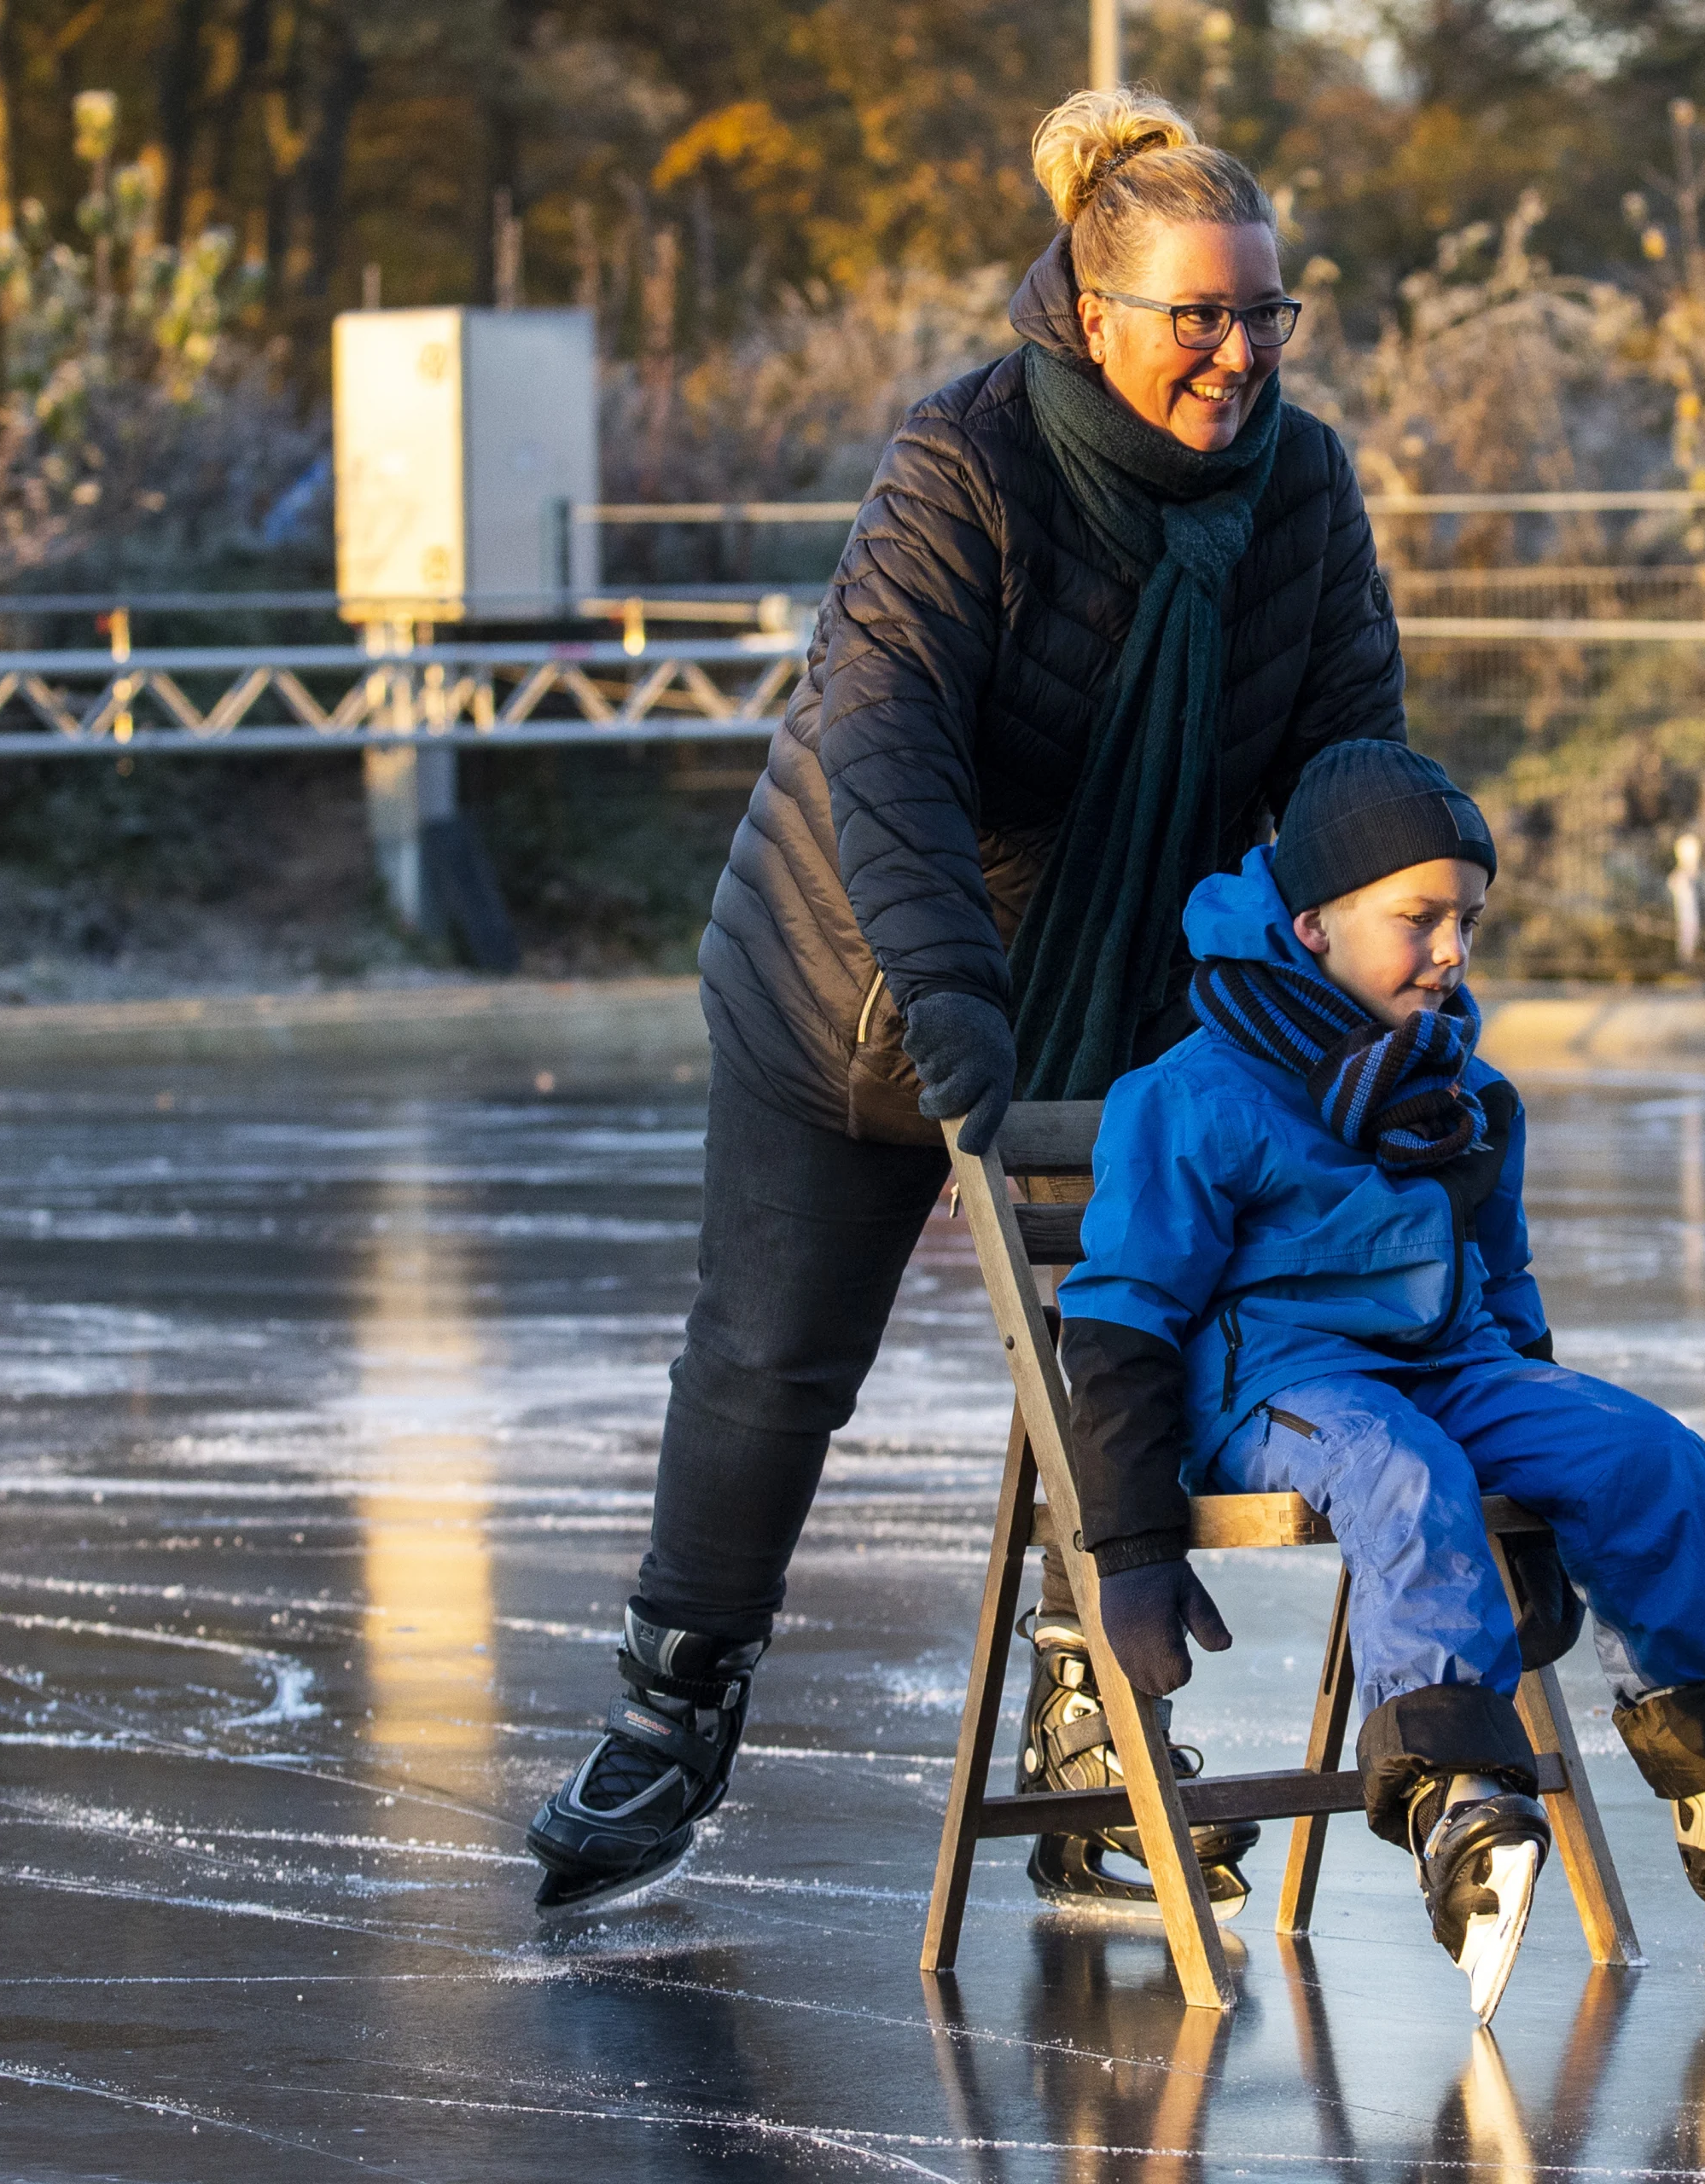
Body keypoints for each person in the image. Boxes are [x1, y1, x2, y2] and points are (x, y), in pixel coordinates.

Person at [527, 86, 1408, 1919]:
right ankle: (672, 1705)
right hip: (854, 981)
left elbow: (1343, 763)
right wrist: (955, 1014)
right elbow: (887, 745)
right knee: (775, 1356)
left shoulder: (1303, 490)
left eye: (1265, 313)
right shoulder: (969, 463)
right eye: (1199, 316)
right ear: (1096, 314)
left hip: (1134, 993)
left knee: (1128, 1339)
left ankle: (1095, 1735)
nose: (1238, 353)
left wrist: (1387, 939)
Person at [1056, 741, 1705, 2020]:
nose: (1450, 953)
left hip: (1451, 1367)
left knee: (1645, 1459)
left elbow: (1504, 1279)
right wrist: (1132, 1539)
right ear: (1311, 922)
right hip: (1275, 1390)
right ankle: (1453, 1797)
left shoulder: (1461, 1090)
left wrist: (1547, 1465)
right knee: (1402, 1471)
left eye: (1467, 922)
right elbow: (1119, 1315)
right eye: (1417, 920)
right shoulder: (1195, 1094)